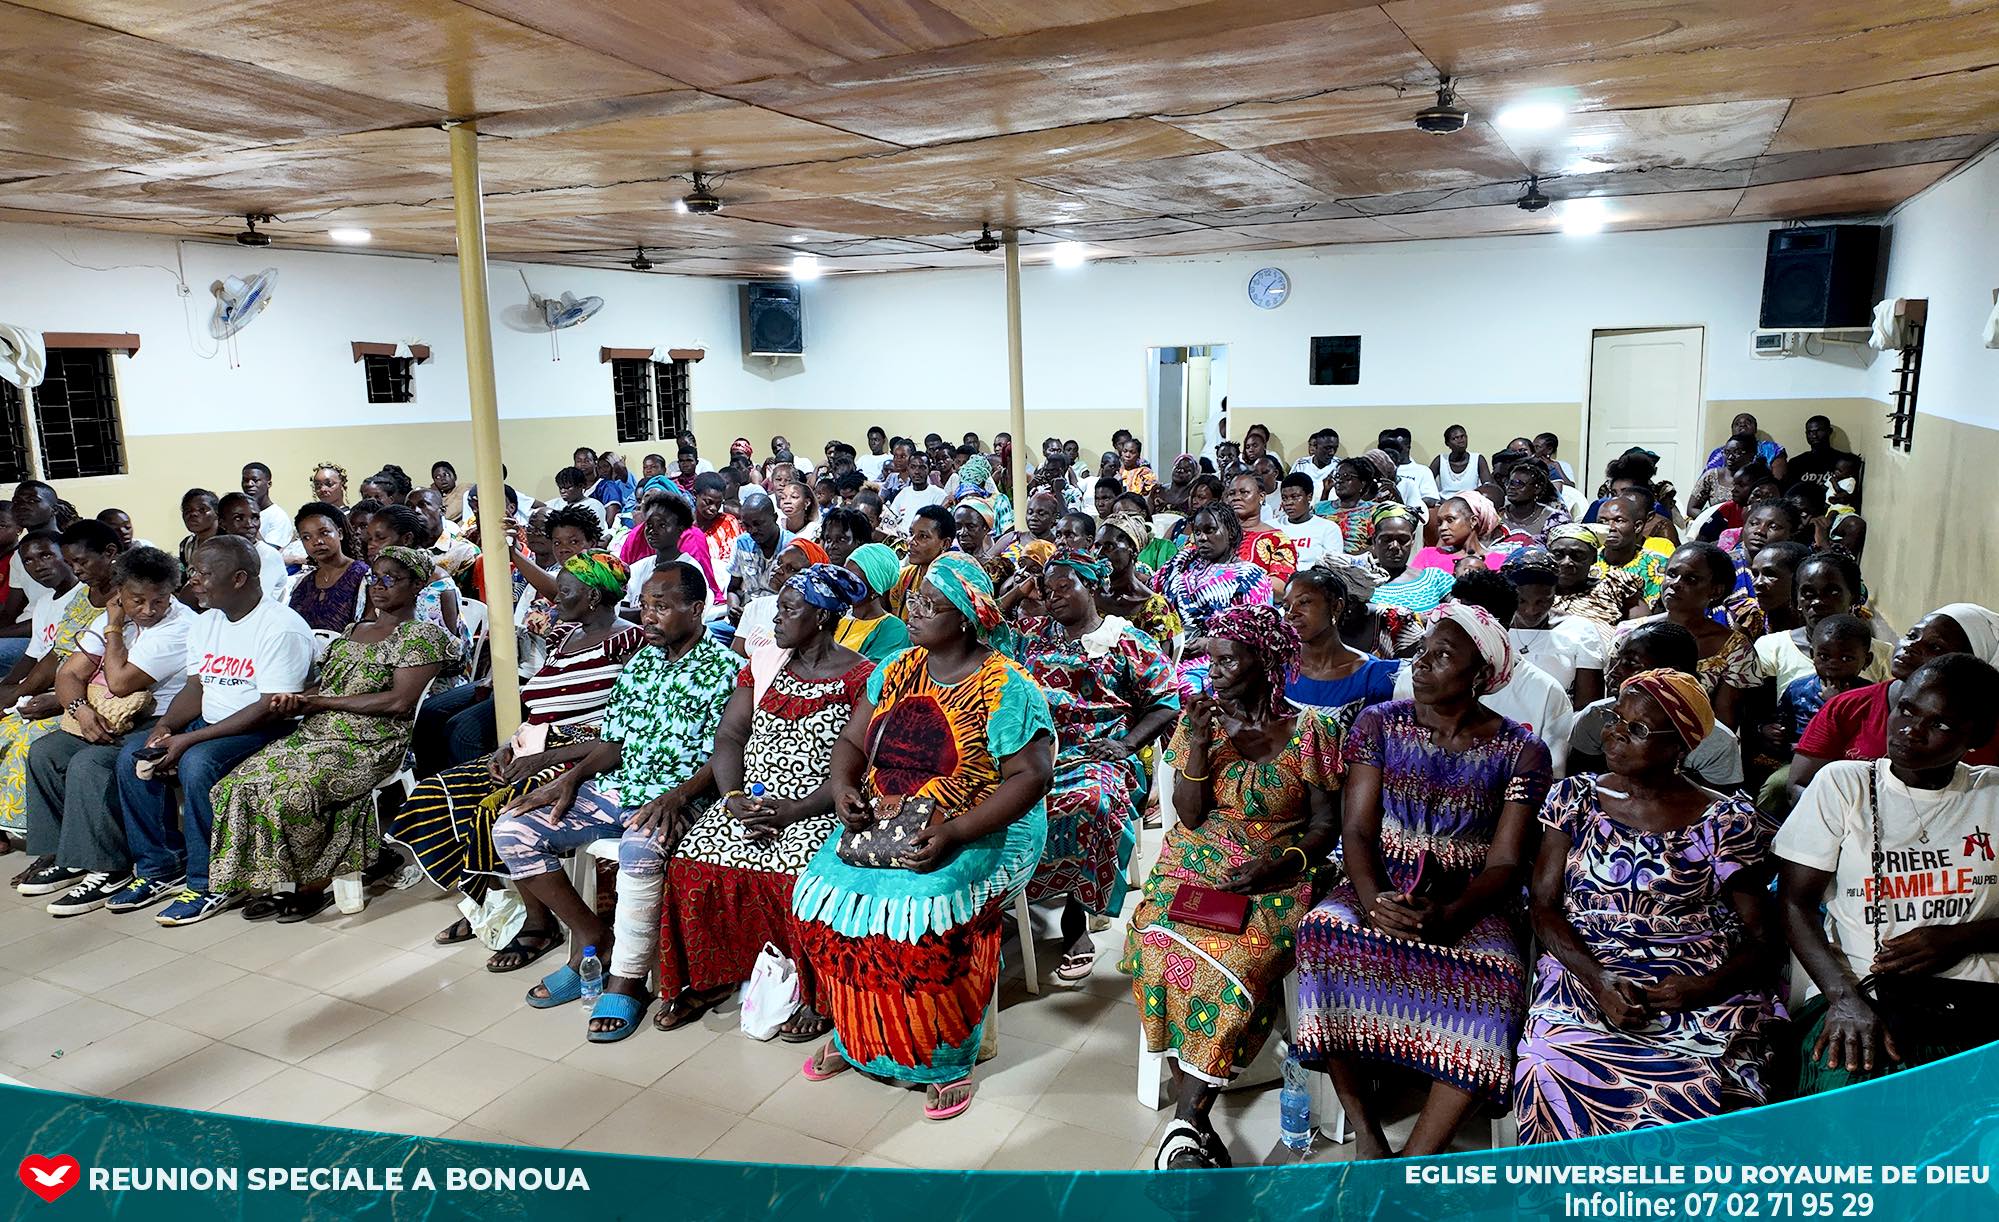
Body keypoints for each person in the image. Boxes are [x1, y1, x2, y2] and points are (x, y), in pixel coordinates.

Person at [791, 553, 1053, 1118]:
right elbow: (852, 743)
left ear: (965, 619)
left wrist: (955, 831)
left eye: (931, 606)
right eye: (914, 600)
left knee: (924, 911)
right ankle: (858, 1036)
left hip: (986, 824)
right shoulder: (896, 667)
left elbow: (1031, 779)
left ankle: (943, 1055)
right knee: (818, 897)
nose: (914, 611)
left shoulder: (1006, 686)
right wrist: (844, 788)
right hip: (891, 818)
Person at [1294, 601, 1553, 1159]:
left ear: (1481, 675)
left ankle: (1418, 1156)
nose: (1421, 663)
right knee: (1321, 932)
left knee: (1499, 975)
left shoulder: (1521, 750)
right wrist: (1372, 902)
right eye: (1422, 652)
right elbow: (1356, 830)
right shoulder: (1380, 724)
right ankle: (1367, 1134)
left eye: (1442, 656)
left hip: (1471, 900)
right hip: (1378, 881)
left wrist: (1451, 915)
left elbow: (1505, 863)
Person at [1515, 669, 1778, 1142]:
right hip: (1586, 967)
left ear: (1679, 746)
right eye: (1616, 718)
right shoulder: (1575, 799)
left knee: (1722, 1099)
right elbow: (1544, 907)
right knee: (1546, 1064)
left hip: (1694, 978)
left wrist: (1702, 988)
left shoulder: (1723, 819)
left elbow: (1763, 939)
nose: (1615, 733)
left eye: (1637, 728)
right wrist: (1599, 981)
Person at [1125, 606, 1341, 1169]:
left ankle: (1185, 1125)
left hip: (1278, 871)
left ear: (1264, 662)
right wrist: (1199, 743)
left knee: (1241, 956)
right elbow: (1190, 816)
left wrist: (1281, 863)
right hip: (1196, 862)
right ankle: (1191, 1121)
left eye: (1227, 660)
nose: (1213, 671)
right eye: (1211, 660)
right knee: (1157, 940)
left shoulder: (1312, 731)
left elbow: (1326, 826)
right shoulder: (1198, 724)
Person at [490, 561, 738, 1040]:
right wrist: (569, 780)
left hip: (682, 796)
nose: (648, 616)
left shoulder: (725, 670)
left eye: (661, 606)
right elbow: (613, 744)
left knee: (640, 848)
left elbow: (726, 753)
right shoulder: (640, 664)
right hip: (622, 786)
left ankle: (627, 979)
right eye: (644, 605)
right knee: (514, 828)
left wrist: (678, 796)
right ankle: (593, 938)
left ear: (696, 609)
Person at [648, 564, 875, 1037]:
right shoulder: (766, 662)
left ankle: (816, 993)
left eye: (789, 609)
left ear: (822, 616)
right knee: (692, 864)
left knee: (800, 878)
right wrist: (732, 797)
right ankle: (713, 977)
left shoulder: (862, 677)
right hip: (751, 799)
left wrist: (796, 810)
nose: (776, 618)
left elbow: (858, 764)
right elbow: (730, 736)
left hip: (817, 806)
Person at [390, 551, 646, 961]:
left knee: (499, 806)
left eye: (565, 590)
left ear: (594, 597)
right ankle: (488, 902)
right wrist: (506, 746)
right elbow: (540, 707)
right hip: (533, 746)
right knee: (436, 793)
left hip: (580, 757)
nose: (555, 597)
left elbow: (623, 733)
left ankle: (538, 923)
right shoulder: (564, 636)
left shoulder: (629, 643)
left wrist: (541, 759)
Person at [1777, 655, 1999, 1092]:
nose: (1910, 730)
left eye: (1940, 724)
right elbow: (1794, 903)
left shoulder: (1991, 793)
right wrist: (1843, 998)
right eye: (1907, 710)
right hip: (1863, 992)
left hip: (1975, 999)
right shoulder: (1845, 784)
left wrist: (1960, 938)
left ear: (1976, 737)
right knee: (1854, 1101)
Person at [205, 547, 456, 920]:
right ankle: (275, 878)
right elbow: (325, 686)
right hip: (316, 733)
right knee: (235, 785)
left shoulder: (421, 636)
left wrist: (320, 703)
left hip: (372, 741)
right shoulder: (355, 630)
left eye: (391, 579)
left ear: (417, 585)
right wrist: (297, 699)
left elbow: (399, 702)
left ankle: (314, 882)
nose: (379, 586)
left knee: (295, 791)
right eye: (374, 578)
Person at [128, 536, 319, 926]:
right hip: (213, 724)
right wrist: (165, 727)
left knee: (198, 764)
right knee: (136, 754)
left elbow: (269, 708)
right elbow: (195, 687)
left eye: (203, 573)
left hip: (269, 729)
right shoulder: (207, 621)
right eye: (192, 571)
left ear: (238, 579)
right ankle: (160, 866)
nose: (193, 581)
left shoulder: (280, 627)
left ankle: (211, 883)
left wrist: (189, 739)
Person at [1008, 549, 1177, 982]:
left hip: (1096, 751)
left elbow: (1166, 701)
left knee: (1092, 801)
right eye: (1048, 590)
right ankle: (1006, 896)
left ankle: (1076, 915)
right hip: (1036, 749)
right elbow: (981, 627)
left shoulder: (1126, 640)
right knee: (992, 798)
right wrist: (1019, 592)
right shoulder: (1031, 634)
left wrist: (1127, 744)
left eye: (1066, 587)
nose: (1054, 596)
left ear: (1093, 587)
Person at [16, 547, 195, 914]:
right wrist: (80, 712)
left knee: (90, 764)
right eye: (137, 600)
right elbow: (68, 674)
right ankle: (70, 856)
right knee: (45, 753)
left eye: (159, 600)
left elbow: (120, 683)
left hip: (158, 720)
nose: (148, 610)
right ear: (120, 592)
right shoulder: (114, 614)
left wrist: (114, 627)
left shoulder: (179, 626)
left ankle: (109, 868)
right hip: (106, 715)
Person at [1786, 604, 1999, 808]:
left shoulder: (1987, 729)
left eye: (1935, 647)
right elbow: (1799, 786)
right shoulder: (1848, 706)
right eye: (1912, 636)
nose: (1911, 646)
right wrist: (1849, 820)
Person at [0, 523, 119, 864]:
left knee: (28, 743)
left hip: (102, 701)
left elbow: (118, 671)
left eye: (80, 561)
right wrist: (17, 692)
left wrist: (61, 701)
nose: (76, 570)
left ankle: (52, 848)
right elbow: (56, 654)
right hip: (68, 692)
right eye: (72, 562)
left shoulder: (127, 599)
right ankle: (25, 835)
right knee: (5, 726)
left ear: (110, 554)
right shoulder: (82, 598)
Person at [1614, 542, 1756, 727]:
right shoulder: (1629, 632)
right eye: (1672, 574)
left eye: (1691, 579)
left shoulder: (1734, 649)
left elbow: (1724, 720)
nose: (1675, 583)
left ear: (1716, 590)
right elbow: (1612, 696)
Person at [1152, 504, 1274, 696]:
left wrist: (1210, 643)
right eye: (1198, 532)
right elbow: (1152, 590)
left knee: (1185, 690)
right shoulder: (1183, 561)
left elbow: (1256, 634)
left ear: (1231, 532)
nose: (1201, 537)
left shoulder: (1250, 576)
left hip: (1213, 662)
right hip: (1165, 651)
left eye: (1210, 530)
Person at [1751, 550, 1891, 697]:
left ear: (1853, 596)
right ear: (1796, 599)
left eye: (1832, 592)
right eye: (1808, 594)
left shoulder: (1882, 654)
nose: (1818, 602)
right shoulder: (1772, 648)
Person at [1283, 566, 1399, 716]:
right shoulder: (1278, 670)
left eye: (1303, 602)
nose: (1291, 614)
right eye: (1286, 607)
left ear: (1336, 607)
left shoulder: (1372, 677)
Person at [1505, 547, 1606, 709]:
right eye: (1521, 601)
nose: (1531, 610)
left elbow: (1587, 707)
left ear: (1555, 593)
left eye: (1542, 601)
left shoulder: (1580, 630)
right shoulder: (1492, 626)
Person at [1095, 516, 1179, 646]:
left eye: (1109, 546)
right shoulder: (1091, 594)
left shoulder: (1154, 607)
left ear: (1133, 550)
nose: (1099, 554)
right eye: (1097, 546)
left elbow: (1159, 658)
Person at [286, 504, 369, 633]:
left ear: (340, 534)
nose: (317, 542)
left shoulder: (362, 574)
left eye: (324, 533)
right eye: (307, 537)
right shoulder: (304, 583)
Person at [1367, 505, 1455, 616]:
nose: (1395, 546)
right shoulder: (1360, 584)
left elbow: (1463, 613)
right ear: (1374, 540)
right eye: (1386, 539)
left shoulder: (1434, 579)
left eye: (1403, 539)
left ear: (1412, 539)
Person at [834, 541, 913, 663]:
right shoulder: (837, 616)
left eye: (853, 580)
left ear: (874, 589)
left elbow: (871, 671)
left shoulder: (893, 629)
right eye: (843, 574)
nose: (844, 583)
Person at [1723, 539, 1808, 640]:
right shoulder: (1751, 617)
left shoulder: (1817, 615)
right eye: (1755, 574)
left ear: (1798, 577)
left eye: (1770, 574)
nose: (1758, 583)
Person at [1593, 490, 1669, 602]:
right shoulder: (1587, 561)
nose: (1610, 527)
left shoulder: (1659, 565)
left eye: (1619, 521)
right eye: (1602, 522)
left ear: (1637, 526)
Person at [1223, 473, 1296, 584]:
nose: (1236, 498)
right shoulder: (1215, 533)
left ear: (1261, 496)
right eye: (1231, 494)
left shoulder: (1277, 540)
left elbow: (1281, 584)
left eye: (1244, 492)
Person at [217, 492, 288, 603]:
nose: (250, 524)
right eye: (239, 518)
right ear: (222, 523)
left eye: (255, 518)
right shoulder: (219, 553)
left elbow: (252, 601)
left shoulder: (267, 556)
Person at [1411, 492, 1505, 575]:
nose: (1443, 528)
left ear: (1473, 521)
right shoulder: (1428, 555)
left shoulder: (1498, 562)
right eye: (1440, 523)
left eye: (1450, 520)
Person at [1271, 472, 1343, 568]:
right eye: (1284, 498)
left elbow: (1334, 566)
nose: (1288, 503)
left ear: (1309, 497)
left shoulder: (1328, 528)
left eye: (1295, 497)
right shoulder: (1271, 527)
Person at [1494, 460, 1570, 547]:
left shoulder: (1555, 520)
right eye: (1509, 483)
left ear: (1537, 489)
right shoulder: (1497, 516)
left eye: (1518, 484)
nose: (1511, 487)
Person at [1317, 457, 1383, 555]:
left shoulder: (1372, 511)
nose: (1339, 480)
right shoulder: (1319, 508)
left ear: (1362, 483)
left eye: (1346, 476)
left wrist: (1346, 558)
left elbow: (1379, 546)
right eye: (1337, 476)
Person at [1703, 412, 1788, 481]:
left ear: (1755, 429)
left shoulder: (1772, 449)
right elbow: (1708, 479)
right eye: (1737, 424)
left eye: (1748, 422)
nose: (1742, 425)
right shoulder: (1719, 453)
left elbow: (1778, 479)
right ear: (1732, 430)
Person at [240, 462, 294, 551]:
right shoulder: (239, 513)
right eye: (245, 480)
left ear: (269, 484)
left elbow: (271, 553)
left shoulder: (278, 516)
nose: (249, 484)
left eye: (255, 480)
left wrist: (251, 528)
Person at [1431, 424, 1488, 495]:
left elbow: (1488, 485)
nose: (1460, 440)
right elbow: (1426, 481)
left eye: (1462, 436)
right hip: (1446, 500)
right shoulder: (1440, 460)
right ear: (1447, 443)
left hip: (1470, 500)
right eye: (1455, 438)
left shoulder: (1478, 459)